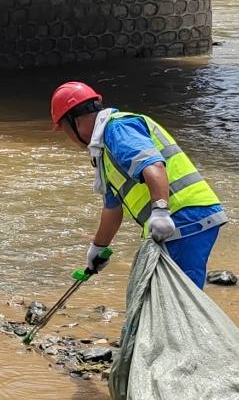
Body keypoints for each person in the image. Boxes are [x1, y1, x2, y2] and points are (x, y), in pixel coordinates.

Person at [49, 82, 226, 288]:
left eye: (64, 129)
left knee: (180, 295)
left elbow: (152, 164)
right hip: (179, 221)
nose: (69, 137)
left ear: (74, 121)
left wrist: (160, 211)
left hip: (185, 218)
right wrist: (98, 248)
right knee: (160, 292)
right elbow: (112, 209)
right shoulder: (104, 151)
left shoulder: (118, 128)